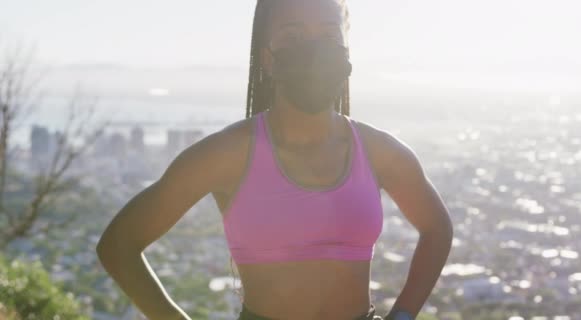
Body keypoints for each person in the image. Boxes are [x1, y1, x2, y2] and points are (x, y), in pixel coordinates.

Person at [96, 0, 453, 319]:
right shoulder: (227, 153)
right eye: (293, 36)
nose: (313, 50)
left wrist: (404, 315)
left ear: (346, 48)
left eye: (329, 35)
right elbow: (118, 245)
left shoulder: (380, 151)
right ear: (267, 56)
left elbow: (437, 228)